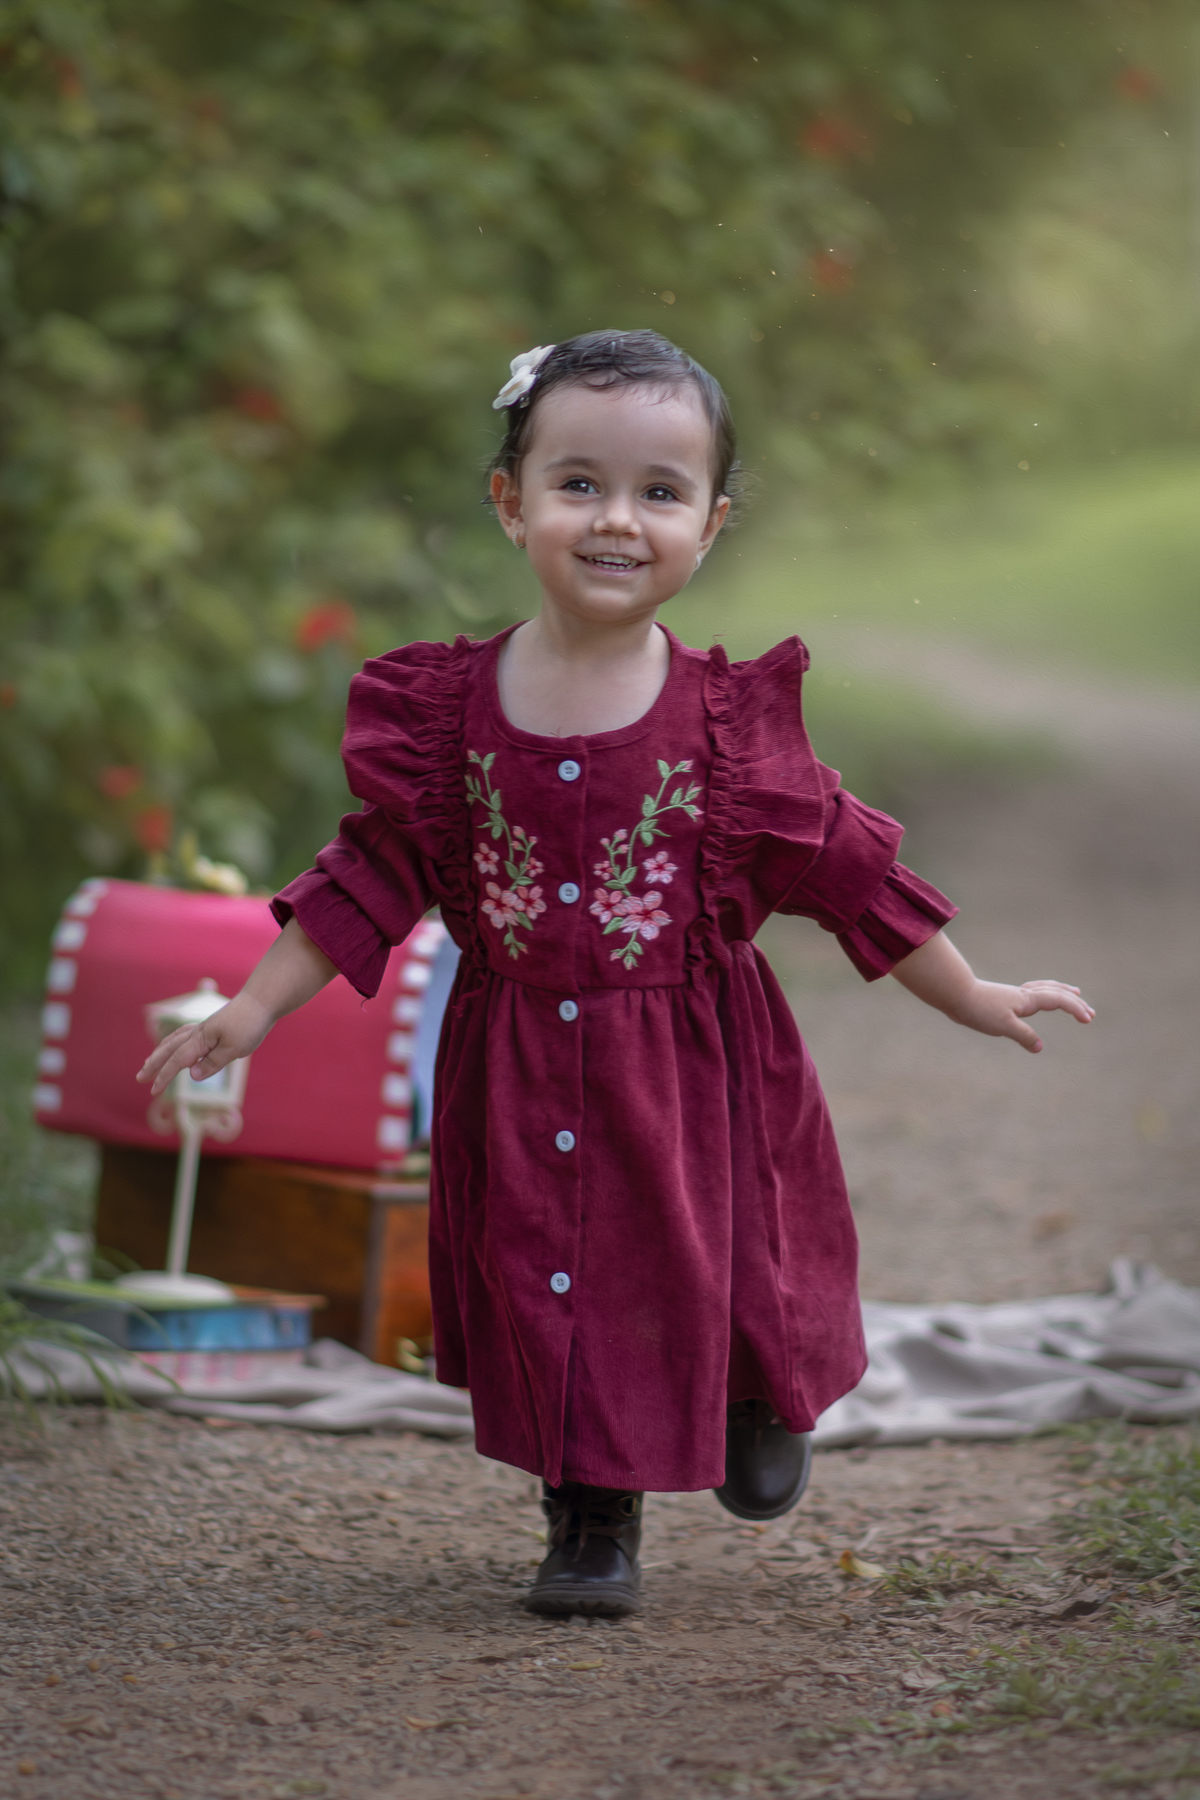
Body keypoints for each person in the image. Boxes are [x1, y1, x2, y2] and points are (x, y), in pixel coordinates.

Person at [139, 330, 1094, 1618]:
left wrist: (973, 993)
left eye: (660, 491)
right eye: (578, 482)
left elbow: (849, 870)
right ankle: (590, 1515)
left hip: (696, 1072)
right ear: (510, 501)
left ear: (711, 525)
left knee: (724, 1255)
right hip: (520, 1066)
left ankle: (756, 1390)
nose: (616, 520)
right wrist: (252, 1005)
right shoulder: (451, 715)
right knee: (552, 1273)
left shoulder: (727, 727)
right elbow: (371, 874)